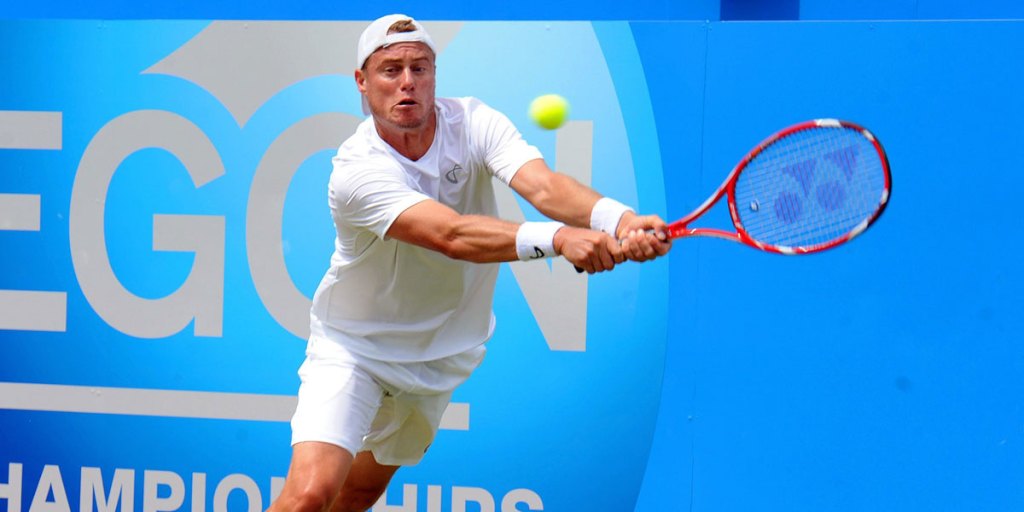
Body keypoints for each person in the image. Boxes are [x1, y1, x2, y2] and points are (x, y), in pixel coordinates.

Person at [268, 14, 672, 512]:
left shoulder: (475, 121)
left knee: (358, 493)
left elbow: (543, 186)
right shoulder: (355, 172)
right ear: (362, 82)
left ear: (434, 74)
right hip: (355, 348)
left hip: (440, 357)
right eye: (391, 70)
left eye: (420, 68)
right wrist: (560, 238)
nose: (408, 82)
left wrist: (620, 219)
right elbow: (451, 235)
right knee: (309, 496)